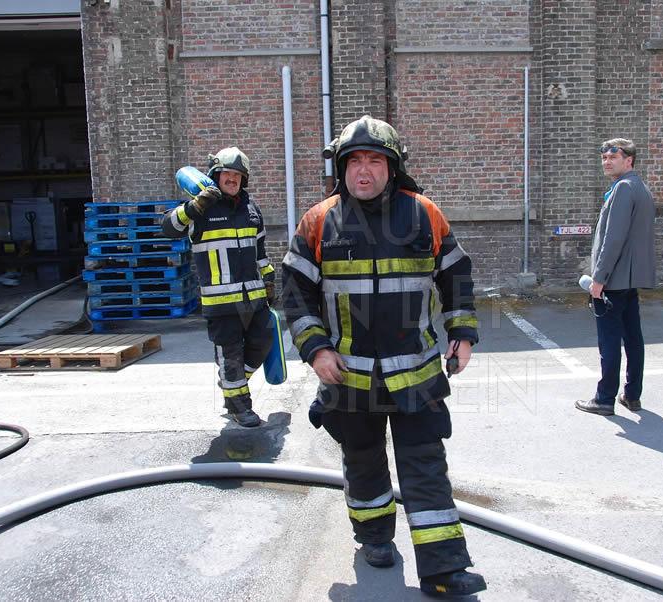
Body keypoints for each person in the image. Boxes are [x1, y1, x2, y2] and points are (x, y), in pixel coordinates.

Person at [281, 115, 486, 596]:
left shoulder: (425, 214)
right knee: (363, 461)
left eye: (374, 160)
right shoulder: (318, 221)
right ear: (342, 168)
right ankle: (374, 536)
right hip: (349, 378)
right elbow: (294, 292)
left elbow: (456, 275)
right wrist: (316, 349)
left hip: (416, 374)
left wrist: (463, 333)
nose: (364, 170)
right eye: (354, 160)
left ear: (392, 167)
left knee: (425, 464)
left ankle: (443, 569)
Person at [162, 147, 276, 427]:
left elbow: (260, 250)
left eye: (238, 174)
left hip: (254, 297)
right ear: (215, 175)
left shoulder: (251, 209)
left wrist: (269, 278)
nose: (232, 178)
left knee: (263, 342)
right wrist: (194, 207)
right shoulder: (201, 208)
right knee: (231, 354)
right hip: (221, 303)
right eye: (227, 173)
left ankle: (231, 382)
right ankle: (239, 407)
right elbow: (168, 227)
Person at [576, 138, 656, 416]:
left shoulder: (623, 189)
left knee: (609, 340)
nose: (606, 162)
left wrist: (599, 278)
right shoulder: (640, 187)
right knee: (633, 338)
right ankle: (632, 395)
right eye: (604, 158)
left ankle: (604, 399)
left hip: (613, 280)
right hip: (629, 280)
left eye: (613, 157)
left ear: (629, 160)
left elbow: (613, 238)